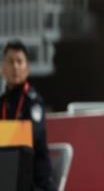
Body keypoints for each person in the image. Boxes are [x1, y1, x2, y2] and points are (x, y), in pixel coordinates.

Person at [0, 40, 56, 191]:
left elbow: (33, 134)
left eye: (20, 61)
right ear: (2, 68)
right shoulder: (2, 102)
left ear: (27, 69)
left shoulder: (33, 101)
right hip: (8, 178)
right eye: (10, 61)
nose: (15, 67)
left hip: (35, 182)